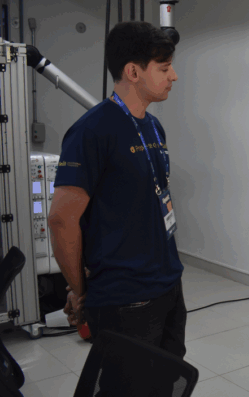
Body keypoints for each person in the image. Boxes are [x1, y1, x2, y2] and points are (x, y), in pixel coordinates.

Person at [49, 21, 185, 360]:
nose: (174, 76)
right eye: (164, 68)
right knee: (129, 382)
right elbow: (62, 220)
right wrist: (80, 290)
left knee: (168, 377)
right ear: (133, 72)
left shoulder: (153, 126)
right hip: (126, 298)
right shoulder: (91, 131)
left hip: (168, 283)